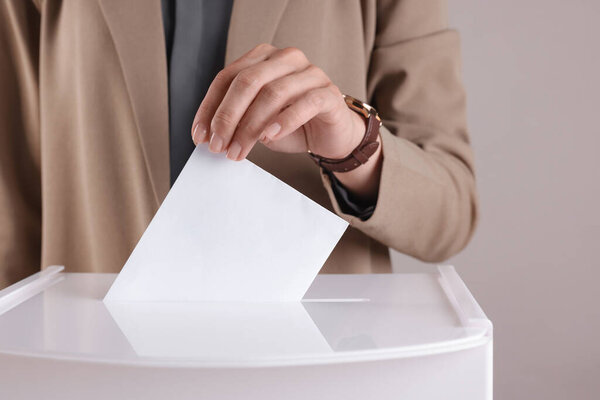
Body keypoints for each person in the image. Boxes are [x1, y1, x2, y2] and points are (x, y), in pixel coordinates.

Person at [0, 0, 478, 289]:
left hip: (312, 364)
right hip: (98, 362)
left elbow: (450, 217)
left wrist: (353, 145)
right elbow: (13, 211)